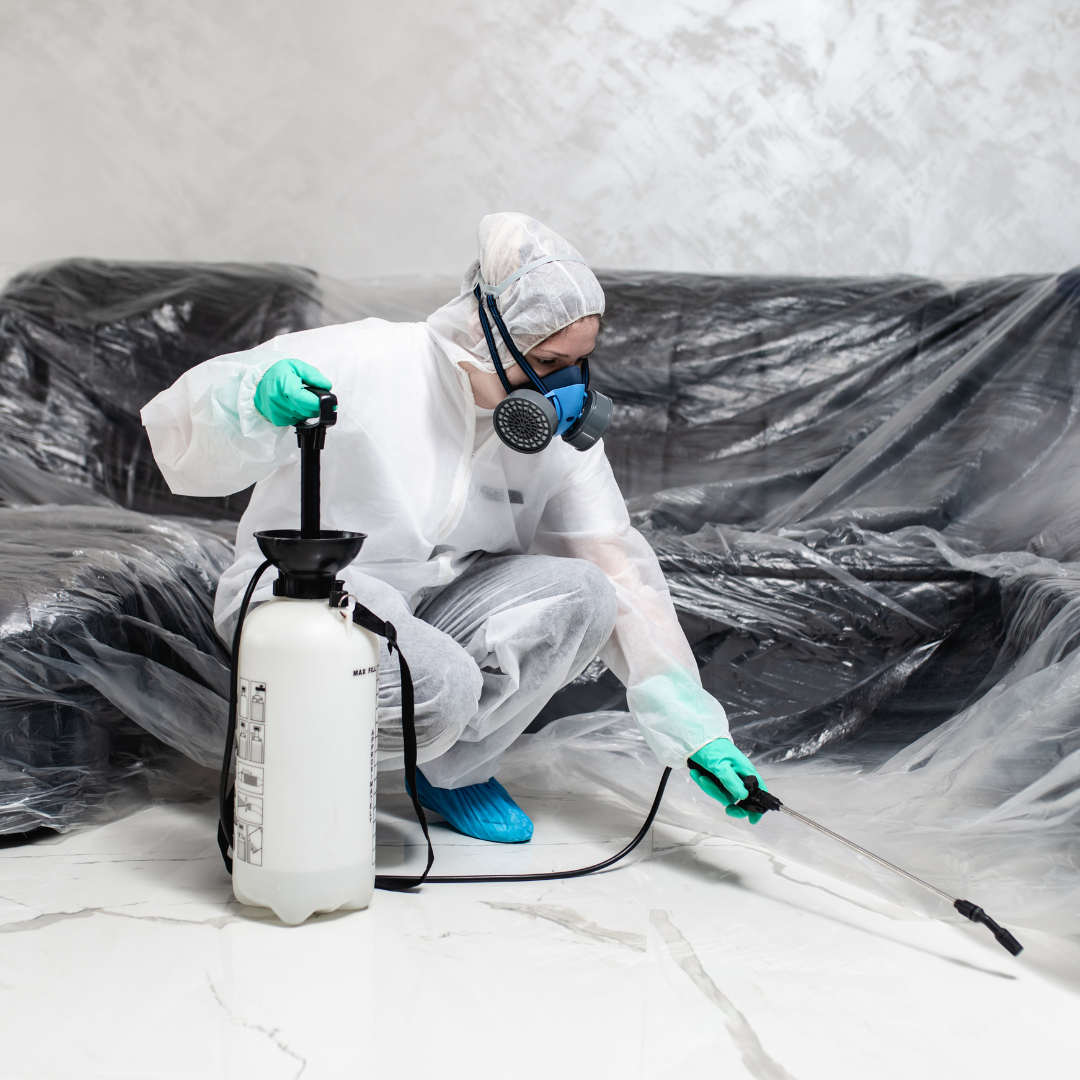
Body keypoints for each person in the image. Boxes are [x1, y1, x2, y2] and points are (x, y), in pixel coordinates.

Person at [141, 212, 767, 844]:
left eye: (579, 364)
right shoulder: (365, 359)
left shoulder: (558, 443)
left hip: (438, 602)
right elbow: (180, 428)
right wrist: (251, 401)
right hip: (308, 588)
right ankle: (295, 771)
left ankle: (452, 770)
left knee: (588, 594)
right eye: (547, 361)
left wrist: (697, 731)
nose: (564, 389)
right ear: (482, 328)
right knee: (438, 683)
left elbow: (616, 569)